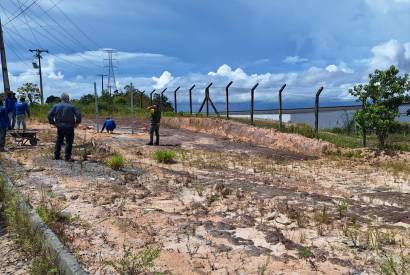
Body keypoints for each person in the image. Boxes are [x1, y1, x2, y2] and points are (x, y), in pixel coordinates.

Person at [48, 93, 81, 161]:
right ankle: (67, 157)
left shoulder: (56, 106)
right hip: (70, 126)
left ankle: (56, 156)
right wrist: (77, 123)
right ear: (68, 98)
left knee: (59, 140)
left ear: (61, 98)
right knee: (69, 141)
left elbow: (49, 114)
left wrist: (52, 122)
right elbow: (78, 114)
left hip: (59, 126)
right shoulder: (72, 106)